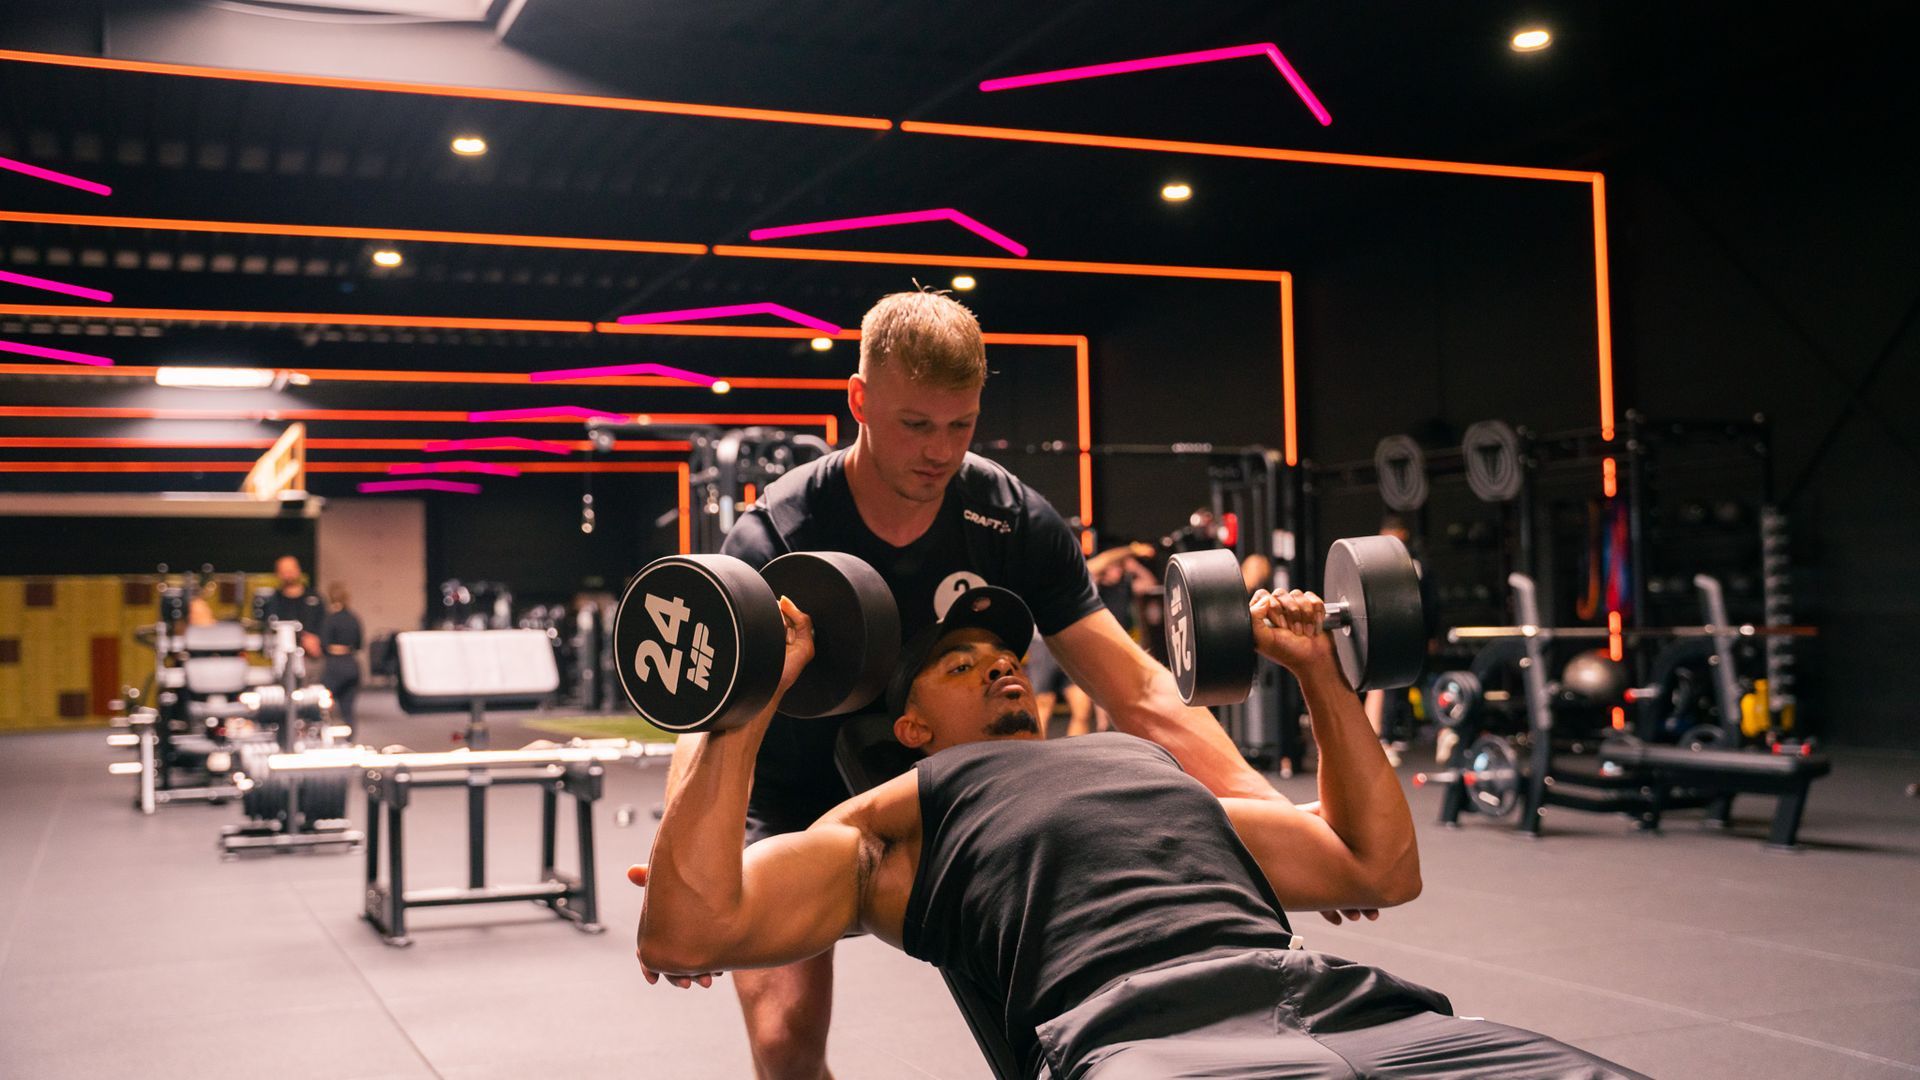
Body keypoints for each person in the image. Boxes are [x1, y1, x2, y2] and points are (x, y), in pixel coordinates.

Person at [631, 585, 1644, 1080]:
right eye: (959, 665)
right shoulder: (901, 821)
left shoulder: (1142, 762)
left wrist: (1319, 676)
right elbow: (688, 929)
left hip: (1347, 1009)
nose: (1000, 665)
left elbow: (1375, 865)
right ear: (912, 729)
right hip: (1143, 1046)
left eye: (1003, 654)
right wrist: (746, 698)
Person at [677, 289, 1292, 1080]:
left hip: (968, 798)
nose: (940, 451)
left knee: (1068, 1013)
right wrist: (686, 880)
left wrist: (1277, 819)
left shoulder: (1010, 519)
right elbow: (712, 716)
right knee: (784, 1042)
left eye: (960, 426)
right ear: (859, 400)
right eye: (915, 425)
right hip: (800, 800)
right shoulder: (776, 535)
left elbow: (1137, 688)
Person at [259, 555, 325, 661]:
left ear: (298, 570)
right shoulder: (272, 601)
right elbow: (266, 629)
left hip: (310, 658)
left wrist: (317, 641)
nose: (288, 575)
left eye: (291, 570)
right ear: (277, 574)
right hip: (279, 657)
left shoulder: (314, 599)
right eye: (284, 572)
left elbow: (325, 625)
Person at [318, 582, 363, 729]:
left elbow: (324, 644)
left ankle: (326, 732)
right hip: (351, 664)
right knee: (348, 709)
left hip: (334, 665)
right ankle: (350, 736)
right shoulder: (354, 618)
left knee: (324, 703)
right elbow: (359, 644)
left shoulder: (329, 619)